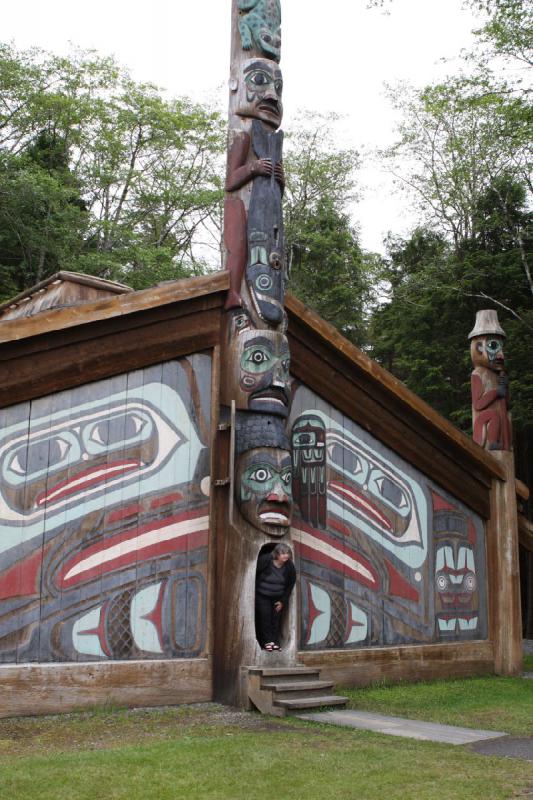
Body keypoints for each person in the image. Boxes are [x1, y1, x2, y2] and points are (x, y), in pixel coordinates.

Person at [255, 543, 295, 651]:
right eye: (283, 553)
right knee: (265, 617)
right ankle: (266, 642)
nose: (285, 556)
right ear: (276, 554)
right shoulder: (265, 560)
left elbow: (290, 584)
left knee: (276, 619)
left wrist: (282, 601)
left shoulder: (289, 566)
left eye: (287, 553)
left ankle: (274, 641)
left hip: (277, 597)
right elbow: (255, 573)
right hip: (262, 595)